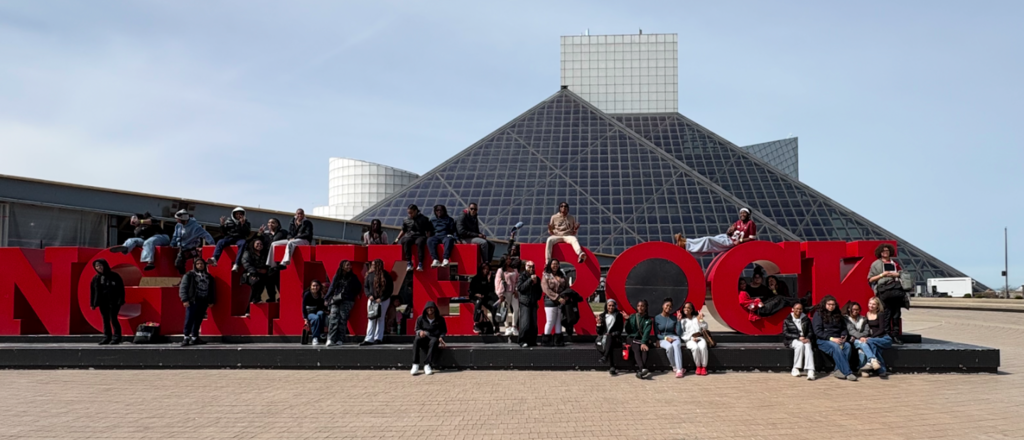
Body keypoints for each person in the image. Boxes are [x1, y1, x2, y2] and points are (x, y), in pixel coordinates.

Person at [868, 243, 907, 345]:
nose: (885, 252)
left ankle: (895, 335)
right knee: (885, 314)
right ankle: (886, 335)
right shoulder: (875, 264)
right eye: (883, 251)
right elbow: (870, 279)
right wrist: (882, 275)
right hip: (884, 291)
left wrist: (897, 274)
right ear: (880, 252)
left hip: (896, 291)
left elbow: (903, 275)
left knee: (896, 315)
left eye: (887, 251)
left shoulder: (895, 263)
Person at [674, 207, 757, 254]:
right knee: (706, 241)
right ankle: (685, 241)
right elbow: (731, 229)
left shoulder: (751, 223)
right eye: (741, 213)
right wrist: (729, 230)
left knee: (708, 239)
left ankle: (686, 245)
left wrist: (740, 240)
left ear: (748, 214)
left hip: (732, 242)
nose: (742, 214)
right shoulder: (738, 222)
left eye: (744, 213)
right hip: (727, 237)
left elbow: (752, 238)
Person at [812, 295, 856, 381]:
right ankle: (848, 372)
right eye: (829, 304)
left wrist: (843, 335)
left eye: (833, 304)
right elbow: (817, 332)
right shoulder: (818, 314)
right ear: (824, 304)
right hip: (824, 340)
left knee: (847, 346)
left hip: (838, 338)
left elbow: (843, 328)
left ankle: (838, 370)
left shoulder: (838, 314)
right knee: (835, 347)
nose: (831, 306)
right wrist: (831, 339)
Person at [324, 260, 362, 346]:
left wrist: (351, 294)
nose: (349, 267)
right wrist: (326, 298)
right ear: (342, 266)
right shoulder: (337, 276)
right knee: (333, 318)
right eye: (347, 265)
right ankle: (330, 339)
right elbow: (332, 287)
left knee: (342, 319)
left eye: (350, 265)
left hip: (347, 300)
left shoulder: (353, 277)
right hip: (336, 300)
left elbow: (358, 287)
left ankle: (340, 339)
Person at [178, 258, 215, 347]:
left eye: (201, 264)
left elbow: (212, 290)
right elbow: (183, 287)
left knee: (198, 320)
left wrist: (211, 300)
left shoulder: (208, 276)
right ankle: (186, 337)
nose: (200, 265)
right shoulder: (189, 275)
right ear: (195, 265)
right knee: (189, 319)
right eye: (198, 264)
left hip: (203, 301)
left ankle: (195, 337)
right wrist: (184, 299)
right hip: (192, 300)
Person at [89, 259, 125, 345]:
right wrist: (92, 303)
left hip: (114, 302)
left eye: (100, 266)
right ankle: (107, 337)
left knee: (113, 318)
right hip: (102, 302)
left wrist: (121, 300)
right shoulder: (96, 278)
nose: (99, 268)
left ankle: (117, 337)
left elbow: (121, 289)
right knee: (105, 320)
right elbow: (93, 291)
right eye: (97, 266)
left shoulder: (114, 276)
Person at [170, 209, 216, 275]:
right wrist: (171, 245)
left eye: (178, 219)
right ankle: (184, 279)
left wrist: (212, 246)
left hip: (191, 249)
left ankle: (187, 279)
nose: (176, 220)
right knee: (179, 264)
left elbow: (206, 235)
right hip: (182, 248)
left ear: (183, 220)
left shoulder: (195, 227)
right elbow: (175, 236)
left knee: (195, 264)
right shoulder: (178, 225)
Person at [361, 259, 394, 345]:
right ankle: (369, 338)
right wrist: (369, 295)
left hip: (383, 300)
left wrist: (382, 298)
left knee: (380, 318)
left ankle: (378, 338)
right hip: (372, 300)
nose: (373, 266)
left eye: (374, 264)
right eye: (372, 264)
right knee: (371, 318)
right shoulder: (370, 275)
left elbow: (390, 289)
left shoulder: (386, 275)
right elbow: (366, 287)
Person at [411, 301, 447, 376]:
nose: (430, 310)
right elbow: (417, 329)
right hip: (424, 338)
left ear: (435, 309)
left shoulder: (440, 319)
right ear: (425, 310)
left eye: (431, 308)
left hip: (434, 338)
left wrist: (441, 337)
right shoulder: (420, 318)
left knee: (434, 341)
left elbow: (443, 330)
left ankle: (427, 364)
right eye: (428, 308)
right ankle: (415, 364)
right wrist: (420, 332)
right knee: (417, 339)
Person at [209, 207, 251, 272]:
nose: (239, 216)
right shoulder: (228, 222)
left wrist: (243, 224)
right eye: (237, 214)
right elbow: (223, 233)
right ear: (234, 214)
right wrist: (222, 225)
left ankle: (237, 264)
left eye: (240, 214)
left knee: (243, 243)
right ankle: (214, 259)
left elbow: (247, 233)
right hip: (229, 238)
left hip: (239, 239)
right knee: (220, 241)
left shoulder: (247, 223)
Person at [540, 259, 571, 346]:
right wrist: (557, 297)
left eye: (557, 264)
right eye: (553, 264)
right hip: (550, 301)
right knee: (550, 321)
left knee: (558, 321)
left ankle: (558, 340)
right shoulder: (546, 275)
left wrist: (565, 296)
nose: (555, 266)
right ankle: (546, 340)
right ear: (550, 265)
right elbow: (546, 289)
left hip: (561, 301)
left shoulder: (562, 274)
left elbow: (567, 286)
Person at [256, 218, 288, 302]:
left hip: (280, 262)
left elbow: (289, 240)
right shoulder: (265, 235)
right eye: (269, 222)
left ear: (278, 224)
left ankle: (284, 297)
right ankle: (272, 298)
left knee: (280, 281)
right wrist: (259, 234)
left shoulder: (283, 233)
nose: (270, 224)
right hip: (268, 261)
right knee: (268, 280)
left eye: (273, 222)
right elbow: (256, 243)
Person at [394, 204, 433, 272]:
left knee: (419, 242)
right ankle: (409, 263)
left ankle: (420, 263)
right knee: (406, 241)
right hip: (410, 236)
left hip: (420, 236)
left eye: (411, 213)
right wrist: (397, 239)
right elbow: (403, 230)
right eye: (408, 213)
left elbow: (428, 230)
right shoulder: (406, 220)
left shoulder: (424, 219)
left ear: (415, 211)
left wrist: (428, 238)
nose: (410, 214)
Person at [782, 302, 815, 380]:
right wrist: (798, 337)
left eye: (800, 309)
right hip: (792, 340)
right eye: (797, 309)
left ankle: (810, 370)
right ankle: (795, 368)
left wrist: (808, 338)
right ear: (792, 309)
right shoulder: (787, 320)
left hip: (804, 339)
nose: (798, 310)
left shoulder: (806, 319)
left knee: (808, 345)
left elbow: (810, 331)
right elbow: (785, 333)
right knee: (799, 345)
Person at [624, 299, 654, 379]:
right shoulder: (633, 317)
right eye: (638, 306)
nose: (640, 308)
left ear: (645, 307)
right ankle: (643, 368)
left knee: (644, 349)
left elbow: (646, 332)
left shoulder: (648, 320)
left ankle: (641, 371)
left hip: (642, 339)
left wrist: (643, 342)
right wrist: (627, 321)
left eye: (642, 306)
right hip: (632, 338)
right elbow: (628, 331)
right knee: (636, 348)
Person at [863, 296, 893, 378]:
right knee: (876, 350)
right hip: (875, 339)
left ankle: (870, 362)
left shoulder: (880, 314)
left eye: (874, 304)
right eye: (870, 303)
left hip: (884, 338)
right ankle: (882, 370)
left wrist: (871, 337)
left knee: (869, 342)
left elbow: (881, 329)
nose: (871, 305)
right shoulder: (867, 314)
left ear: (877, 306)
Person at [655, 298, 686, 378]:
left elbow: (679, 333)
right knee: (669, 347)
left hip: (674, 337)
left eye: (670, 306)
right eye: (667, 305)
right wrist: (666, 338)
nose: (668, 308)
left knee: (676, 346)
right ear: (663, 306)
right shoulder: (657, 318)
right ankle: (674, 366)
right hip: (663, 338)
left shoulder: (674, 318)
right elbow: (657, 334)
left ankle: (679, 369)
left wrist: (679, 321)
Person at [516, 260, 543, 347]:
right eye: (529, 266)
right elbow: (520, 288)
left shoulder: (537, 278)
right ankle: (522, 341)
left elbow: (539, 290)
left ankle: (532, 341)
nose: (531, 268)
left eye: (532, 267)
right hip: (525, 302)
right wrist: (529, 281)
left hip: (533, 302)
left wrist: (537, 298)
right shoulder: (522, 276)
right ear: (526, 267)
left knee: (533, 323)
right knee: (525, 323)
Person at [679, 301, 710, 376]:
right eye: (685, 308)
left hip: (700, 337)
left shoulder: (696, 318)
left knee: (702, 347)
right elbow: (682, 333)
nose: (686, 309)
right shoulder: (683, 320)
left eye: (688, 308)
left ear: (692, 309)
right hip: (689, 339)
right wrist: (691, 338)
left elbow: (705, 327)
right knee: (695, 348)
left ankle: (704, 367)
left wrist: (701, 320)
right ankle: (698, 366)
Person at [845, 301, 874, 377]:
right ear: (849, 309)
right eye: (853, 309)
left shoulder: (863, 319)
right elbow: (851, 330)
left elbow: (866, 330)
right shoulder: (846, 319)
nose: (855, 311)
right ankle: (872, 359)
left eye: (857, 309)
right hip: (850, 340)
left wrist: (862, 337)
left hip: (860, 340)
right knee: (862, 343)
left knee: (862, 349)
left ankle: (862, 369)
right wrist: (861, 337)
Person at [596, 299, 624, 375]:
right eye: (609, 305)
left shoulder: (619, 315)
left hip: (615, 338)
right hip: (603, 338)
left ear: (615, 306)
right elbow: (599, 332)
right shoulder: (602, 316)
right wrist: (598, 324)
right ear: (606, 306)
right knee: (609, 344)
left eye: (612, 305)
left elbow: (620, 330)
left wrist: (612, 334)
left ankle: (605, 358)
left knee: (610, 339)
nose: (611, 307)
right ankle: (612, 367)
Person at [240, 240, 272, 308]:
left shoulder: (265, 254)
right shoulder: (248, 253)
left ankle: (258, 300)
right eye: (257, 244)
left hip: (262, 275)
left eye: (261, 244)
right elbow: (246, 264)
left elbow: (268, 265)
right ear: (253, 244)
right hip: (250, 274)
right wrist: (254, 272)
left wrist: (265, 270)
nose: (259, 245)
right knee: (256, 284)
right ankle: (252, 304)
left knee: (268, 283)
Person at [495, 255, 520, 337]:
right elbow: (497, 282)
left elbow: (517, 281)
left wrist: (516, 289)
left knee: (516, 309)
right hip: (505, 292)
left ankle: (514, 326)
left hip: (514, 292)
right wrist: (500, 294)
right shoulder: (500, 270)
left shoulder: (515, 270)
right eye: (507, 259)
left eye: (510, 259)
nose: (509, 260)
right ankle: (507, 327)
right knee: (505, 309)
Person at [470, 263, 498, 334]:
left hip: (485, 298)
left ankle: (496, 326)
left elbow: (490, 291)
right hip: (476, 297)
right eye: (484, 269)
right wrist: (476, 294)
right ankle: (476, 324)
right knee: (478, 302)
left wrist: (489, 282)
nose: (486, 270)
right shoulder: (476, 278)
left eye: (487, 269)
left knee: (494, 306)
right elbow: (471, 290)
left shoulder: (489, 278)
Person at [301, 280, 328, 345]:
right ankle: (315, 337)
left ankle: (321, 333)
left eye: (317, 286)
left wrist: (325, 301)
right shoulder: (307, 294)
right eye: (313, 286)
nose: (315, 287)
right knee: (316, 318)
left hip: (318, 311)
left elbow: (322, 307)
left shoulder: (321, 294)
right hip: (310, 313)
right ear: (310, 287)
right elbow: (303, 306)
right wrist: (305, 318)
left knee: (320, 314)